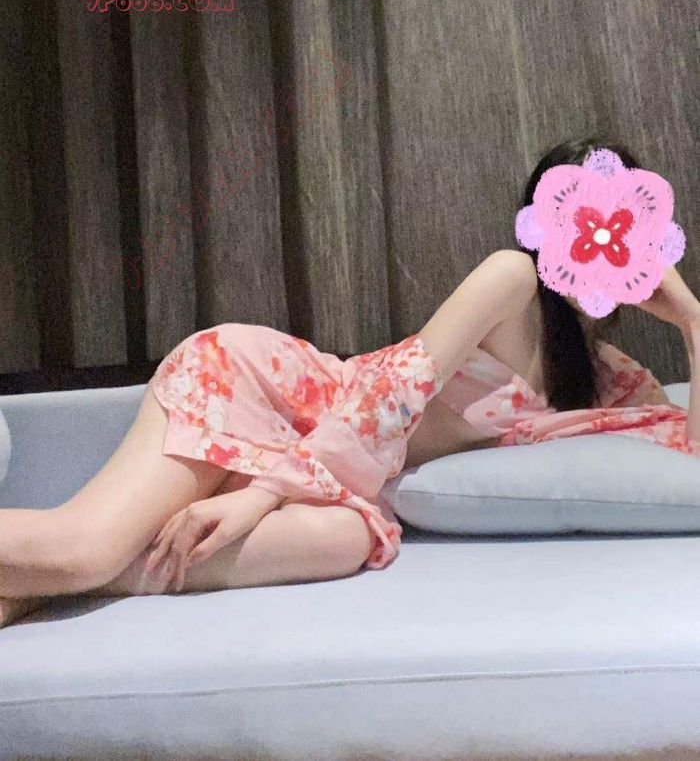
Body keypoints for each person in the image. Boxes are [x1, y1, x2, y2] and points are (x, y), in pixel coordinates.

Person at [1, 135, 698, 629]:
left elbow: (689, 462)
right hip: (266, 390)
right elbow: (391, 393)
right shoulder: (510, 278)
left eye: (627, 226)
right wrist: (264, 494)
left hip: (330, 478)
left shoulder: (612, 380)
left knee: (346, 541)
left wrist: (693, 320)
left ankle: (51, 585)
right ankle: (75, 570)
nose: (604, 239)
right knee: (82, 547)